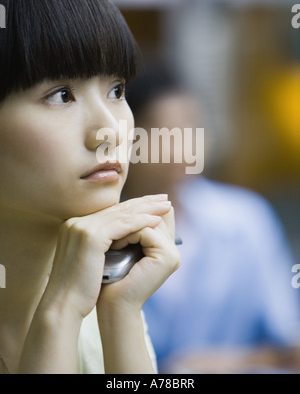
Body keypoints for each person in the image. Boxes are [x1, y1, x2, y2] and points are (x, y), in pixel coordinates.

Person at [0, 0, 180, 374]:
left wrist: (121, 311)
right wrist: (60, 311)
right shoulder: (72, 304)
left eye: (117, 90)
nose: (111, 131)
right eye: (61, 95)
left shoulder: (99, 304)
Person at [123, 69, 300, 373]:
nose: (182, 151)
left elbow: (289, 348)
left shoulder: (247, 220)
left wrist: (214, 365)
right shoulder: (101, 233)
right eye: (162, 134)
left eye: (192, 130)